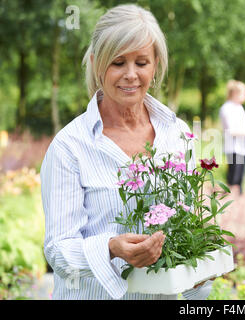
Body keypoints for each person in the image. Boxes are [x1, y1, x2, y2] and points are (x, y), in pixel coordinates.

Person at [40, 4, 211, 300]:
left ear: (155, 64)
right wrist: (109, 248)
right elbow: (58, 251)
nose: (131, 75)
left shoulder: (178, 134)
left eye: (141, 63)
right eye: (118, 62)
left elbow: (192, 227)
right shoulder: (70, 146)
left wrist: (200, 276)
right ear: (96, 63)